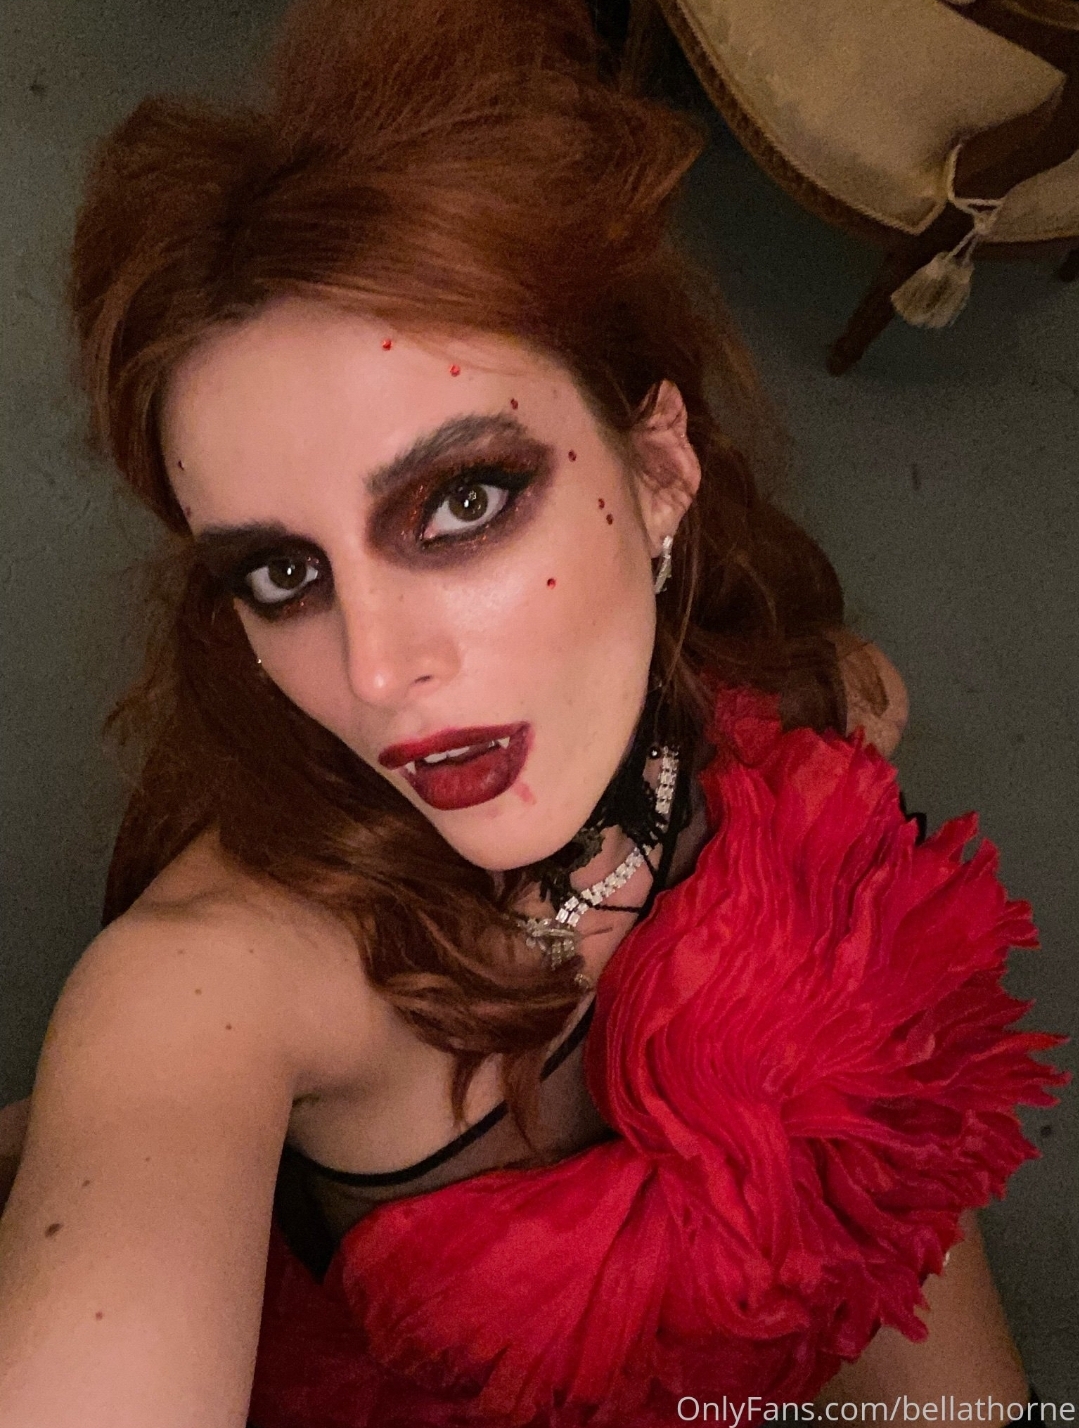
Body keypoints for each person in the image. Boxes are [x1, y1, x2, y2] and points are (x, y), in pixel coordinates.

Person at [0, 1, 1065, 1423]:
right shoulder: (203, 998)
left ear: (658, 466)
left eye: (462, 502)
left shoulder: (812, 708)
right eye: (283, 573)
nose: (376, 672)